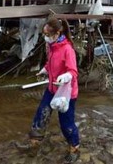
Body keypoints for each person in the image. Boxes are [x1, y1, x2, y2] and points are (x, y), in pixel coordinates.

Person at [16, 17, 80, 163]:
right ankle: (34, 145)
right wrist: (45, 70)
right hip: (52, 89)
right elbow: (51, 63)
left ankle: (74, 148)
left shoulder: (67, 49)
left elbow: (74, 72)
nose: (46, 37)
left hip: (66, 94)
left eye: (48, 35)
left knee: (66, 124)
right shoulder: (52, 46)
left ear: (57, 34)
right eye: (44, 34)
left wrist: (66, 76)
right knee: (41, 115)